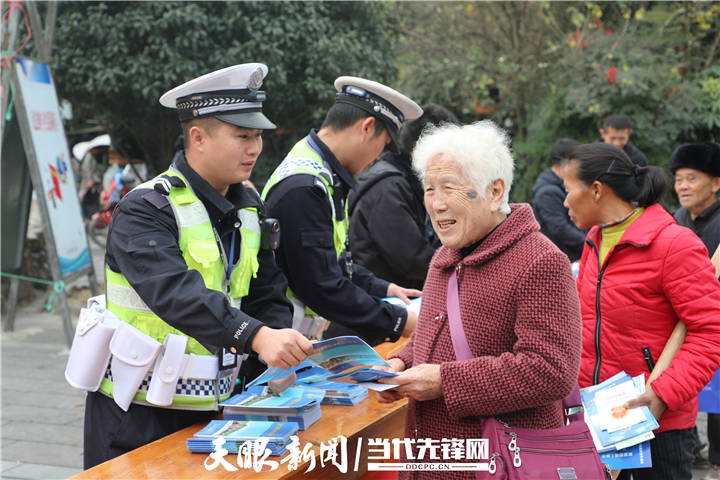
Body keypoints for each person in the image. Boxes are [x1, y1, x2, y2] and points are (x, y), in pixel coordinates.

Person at [82, 64, 313, 468]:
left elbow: (267, 291)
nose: (255, 148)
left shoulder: (249, 208)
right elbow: (174, 293)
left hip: (221, 411)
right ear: (198, 137)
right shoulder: (145, 208)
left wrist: (275, 352)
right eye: (242, 136)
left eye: (258, 136)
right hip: (138, 413)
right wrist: (256, 336)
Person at [376, 121, 583, 478]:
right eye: (428, 189)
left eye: (449, 189)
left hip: (502, 463)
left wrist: (446, 381)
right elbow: (433, 335)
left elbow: (551, 370)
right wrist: (400, 364)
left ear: (494, 190)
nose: (436, 204)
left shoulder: (541, 261)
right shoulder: (445, 257)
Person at [563, 142, 720, 480]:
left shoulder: (674, 244)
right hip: (604, 419)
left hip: (659, 425)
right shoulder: (594, 241)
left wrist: (663, 393)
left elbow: (710, 331)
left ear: (596, 190)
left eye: (568, 190)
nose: (563, 202)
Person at [261, 76, 423, 346]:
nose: (376, 158)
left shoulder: (321, 173)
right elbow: (321, 286)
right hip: (282, 347)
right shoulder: (305, 187)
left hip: (298, 342)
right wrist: (399, 320)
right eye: (382, 146)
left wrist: (383, 288)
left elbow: (330, 262)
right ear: (367, 127)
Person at [348, 104, 458, 290]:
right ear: (422, 147)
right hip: (384, 303)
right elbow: (411, 260)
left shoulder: (411, 181)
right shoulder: (387, 187)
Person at [670, 141, 720, 480]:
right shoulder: (678, 220)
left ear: (716, 183)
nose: (682, 186)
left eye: (691, 178)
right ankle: (696, 451)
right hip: (683, 323)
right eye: (678, 179)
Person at [531, 138, 585, 261]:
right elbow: (560, 229)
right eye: (578, 163)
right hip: (562, 259)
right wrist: (588, 243)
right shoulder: (547, 192)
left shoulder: (561, 184)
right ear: (565, 164)